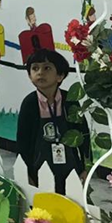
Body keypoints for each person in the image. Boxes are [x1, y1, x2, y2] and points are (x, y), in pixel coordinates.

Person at [16, 49, 90, 195]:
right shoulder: (29, 103)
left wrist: (85, 168)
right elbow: (23, 142)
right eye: (35, 68)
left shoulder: (70, 100)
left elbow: (84, 134)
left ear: (60, 76)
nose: (40, 73)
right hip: (39, 168)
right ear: (29, 76)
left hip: (70, 167)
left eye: (47, 68)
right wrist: (27, 174)